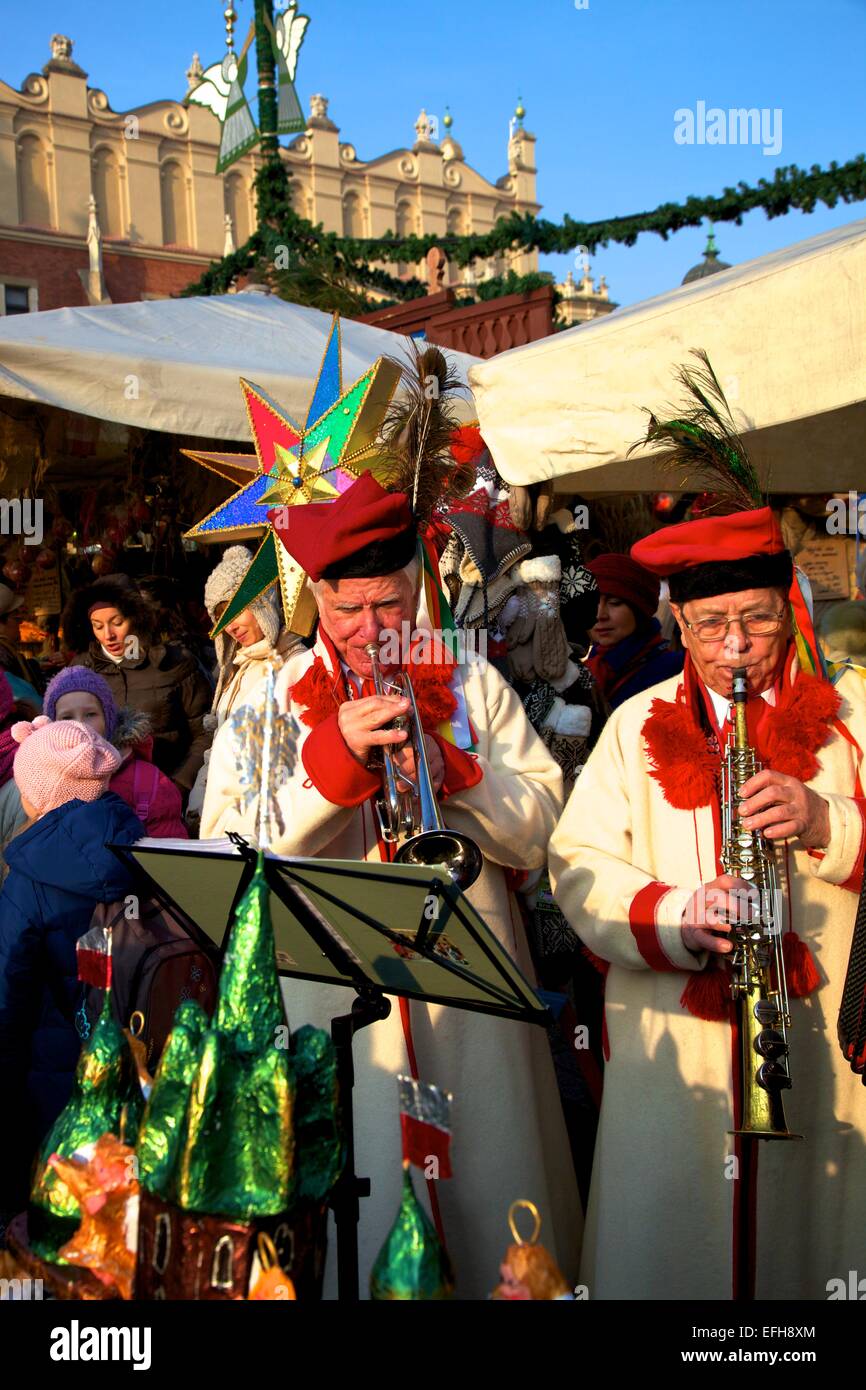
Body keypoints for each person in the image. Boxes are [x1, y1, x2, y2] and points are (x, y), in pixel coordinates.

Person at [201, 471, 582, 1298]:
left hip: (471, 1005)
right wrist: (330, 769)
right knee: (358, 1208)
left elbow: (545, 828)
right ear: (315, 602)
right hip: (341, 1011)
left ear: (415, 589)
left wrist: (459, 770)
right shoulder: (266, 699)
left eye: (390, 605)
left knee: (492, 1201)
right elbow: (229, 858)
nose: (373, 631)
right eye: (349, 610)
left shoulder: (470, 680)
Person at [549, 505, 866, 1300]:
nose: (735, 646)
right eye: (711, 624)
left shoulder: (854, 723)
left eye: (757, 620)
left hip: (827, 1058)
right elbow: (578, 867)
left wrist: (832, 822)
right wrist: (675, 914)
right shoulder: (632, 728)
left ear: (789, 610)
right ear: (680, 625)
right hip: (675, 1063)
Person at [0, 718, 144, 1222]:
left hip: (50, 1088)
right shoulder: (139, 845)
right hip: (132, 1066)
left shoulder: (29, 879)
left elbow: (7, 997)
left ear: (39, 796)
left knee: (59, 1225)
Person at [61, 576, 212, 799]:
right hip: (101, 801)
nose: (108, 635)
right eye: (98, 626)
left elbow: (206, 732)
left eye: (117, 622)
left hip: (168, 795)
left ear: (136, 617)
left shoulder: (175, 664)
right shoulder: (80, 672)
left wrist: (177, 785)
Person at [186, 546, 298, 824]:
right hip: (226, 817)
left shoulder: (295, 664)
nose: (230, 627)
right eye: (221, 617)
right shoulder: (236, 669)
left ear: (264, 602)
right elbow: (219, 749)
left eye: (237, 610)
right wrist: (199, 803)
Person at [43, 666, 187, 840]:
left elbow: (169, 853)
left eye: (90, 714)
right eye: (67, 717)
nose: (81, 725)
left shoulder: (148, 781)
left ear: (108, 719)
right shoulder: (39, 779)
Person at [585, 553, 683, 710]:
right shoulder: (588, 667)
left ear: (639, 609)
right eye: (591, 603)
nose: (600, 615)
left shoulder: (674, 671)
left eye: (614, 603)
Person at [0, 584, 43, 707]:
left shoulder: (7, 650)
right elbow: (30, 702)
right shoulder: (3, 653)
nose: (21, 622)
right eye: (16, 618)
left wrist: (35, 664)